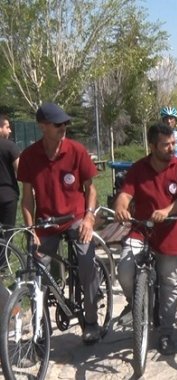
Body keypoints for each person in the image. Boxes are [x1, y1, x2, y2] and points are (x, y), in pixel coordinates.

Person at [17, 103, 101, 344]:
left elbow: (90, 188)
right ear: (43, 127)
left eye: (65, 123)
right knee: (36, 269)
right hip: (46, 222)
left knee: (86, 262)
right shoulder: (30, 157)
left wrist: (89, 217)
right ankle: (40, 325)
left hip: (75, 218)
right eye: (57, 124)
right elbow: (26, 198)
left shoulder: (77, 151)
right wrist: (31, 229)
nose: (63, 127)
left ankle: (92, 321)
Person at [114, 123, 177, 355]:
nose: (172, 148)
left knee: (169, 283)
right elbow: (125, 194)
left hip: (171, 232)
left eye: (173, 143)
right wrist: (121, 207)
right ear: (152, 146)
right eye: (165, 145)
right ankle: (138, 303)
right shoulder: (138, 168)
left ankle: (166, 332)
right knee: (125, 269)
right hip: (142, 229)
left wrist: (167, 211)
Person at [0, 115, 19, 239]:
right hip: (7, 196)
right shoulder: (10, 146)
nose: (10, 130)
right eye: (7, 127)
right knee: (7, 235)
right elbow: (21, 171)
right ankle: (4, 258)